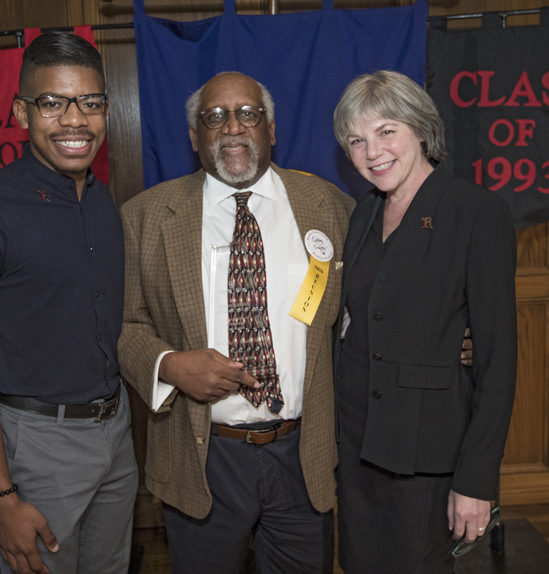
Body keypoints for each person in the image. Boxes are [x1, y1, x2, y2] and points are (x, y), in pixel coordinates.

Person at [118, 71, 354, 574]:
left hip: (302, 453)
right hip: (202, 456)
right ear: (194, 136)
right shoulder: (146, 216)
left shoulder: (329, 207)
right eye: (215, 117)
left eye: (248, 114)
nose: (232, 128)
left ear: (270, 129)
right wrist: (170, 365)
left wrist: (447, 336)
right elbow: (125, 325)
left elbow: (367, 312)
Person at [0, 32, 137, 574]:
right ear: (22, 112)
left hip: (115, 434)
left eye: (90, 103)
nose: (75, 120)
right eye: (53, 103)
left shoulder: (98, 201)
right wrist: (0, 499)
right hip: (38, 448)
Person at [331, 70, 517, 573]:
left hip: (426, 459)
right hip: (357, 450)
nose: (373, 152)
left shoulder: (477, 212)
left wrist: (476, 481)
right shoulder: (363, 215)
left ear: (420, 130)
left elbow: (498, 361)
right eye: (356, 140)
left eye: (386, 131)